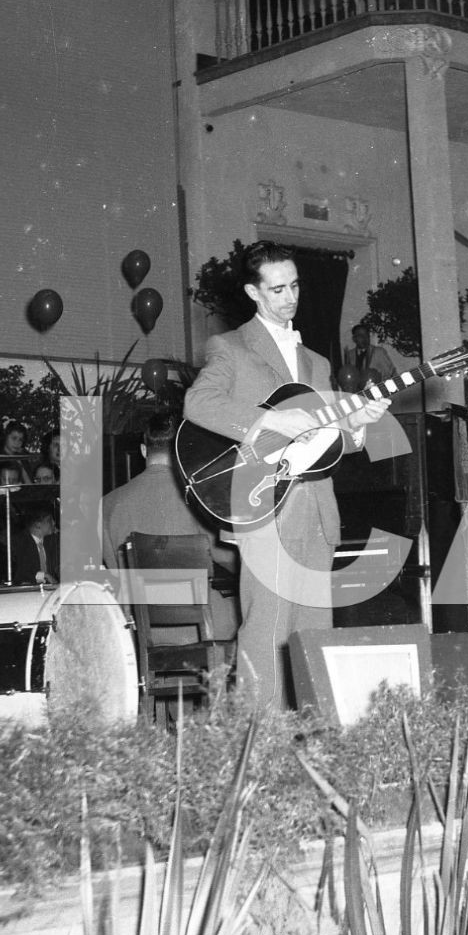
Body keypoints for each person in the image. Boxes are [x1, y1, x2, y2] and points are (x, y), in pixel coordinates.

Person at [182, 241, 389, 710]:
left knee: (315, 634)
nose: (289, 297)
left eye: (294, 286)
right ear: (253, 293)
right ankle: (260, 748)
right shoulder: (230, 347)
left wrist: (356, 426)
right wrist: (273, 420)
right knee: (266, 631)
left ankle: (314, 745)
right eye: (277, 289)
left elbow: (328, 441)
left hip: (316, 510)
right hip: (263, 509)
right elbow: (198, 405)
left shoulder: (316, 362)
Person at [103, 411, 237, 639]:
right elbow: (229, 558)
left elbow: (115, 570)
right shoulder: (199, 498)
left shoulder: (106, 504)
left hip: (138, 630)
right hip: (199, 628)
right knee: (243, 605)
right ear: (182, 452)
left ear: (144, 451)